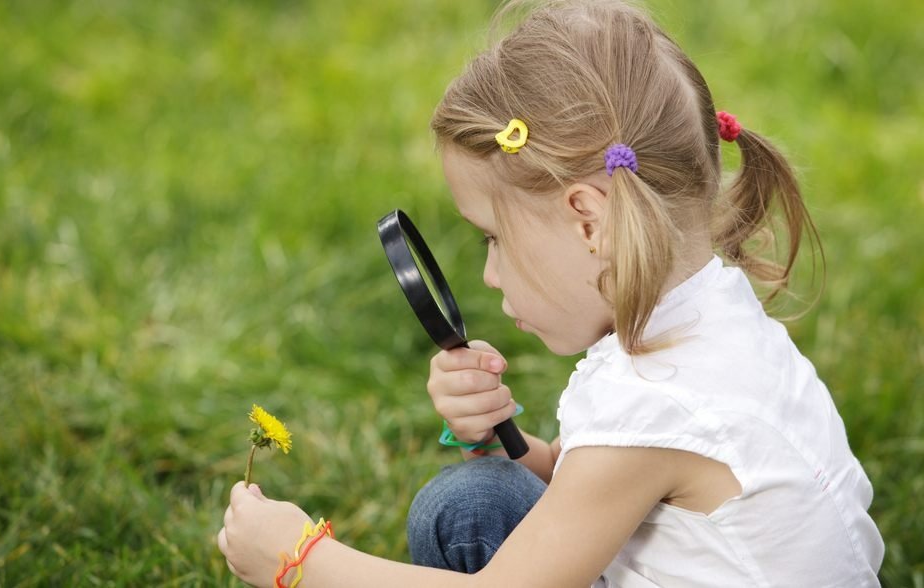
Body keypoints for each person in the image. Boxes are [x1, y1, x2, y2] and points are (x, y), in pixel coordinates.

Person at [217, 0, 885, 585]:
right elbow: (616, 486)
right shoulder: (714, 316)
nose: (488, 273)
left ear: (588, 220)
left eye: (494, 239)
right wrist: (504, 439)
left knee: (462, 511)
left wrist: (299, 559)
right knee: (470, 500)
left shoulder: (656, 402)